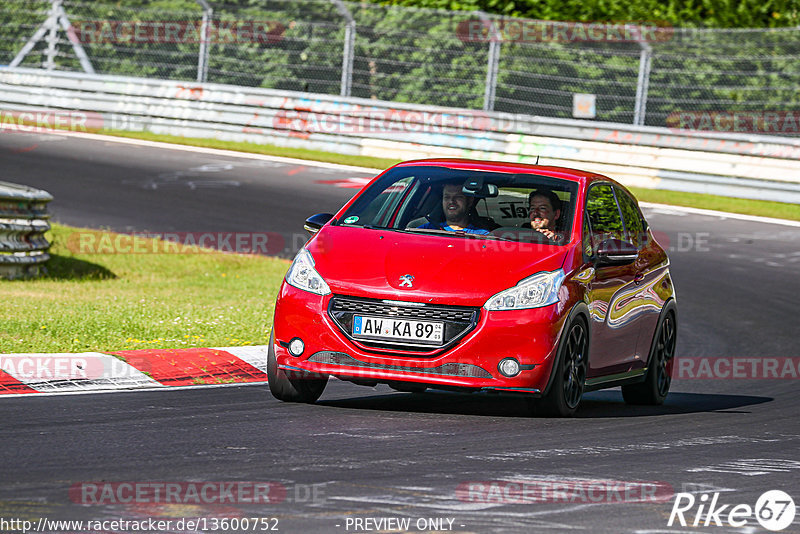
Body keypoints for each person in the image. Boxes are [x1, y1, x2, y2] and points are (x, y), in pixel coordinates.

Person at [417, 183, 491, 235]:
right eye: (447, 197)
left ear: (470, 201)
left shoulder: (482, 235)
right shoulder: (426, 230)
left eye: (458, 197)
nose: (451, 201)